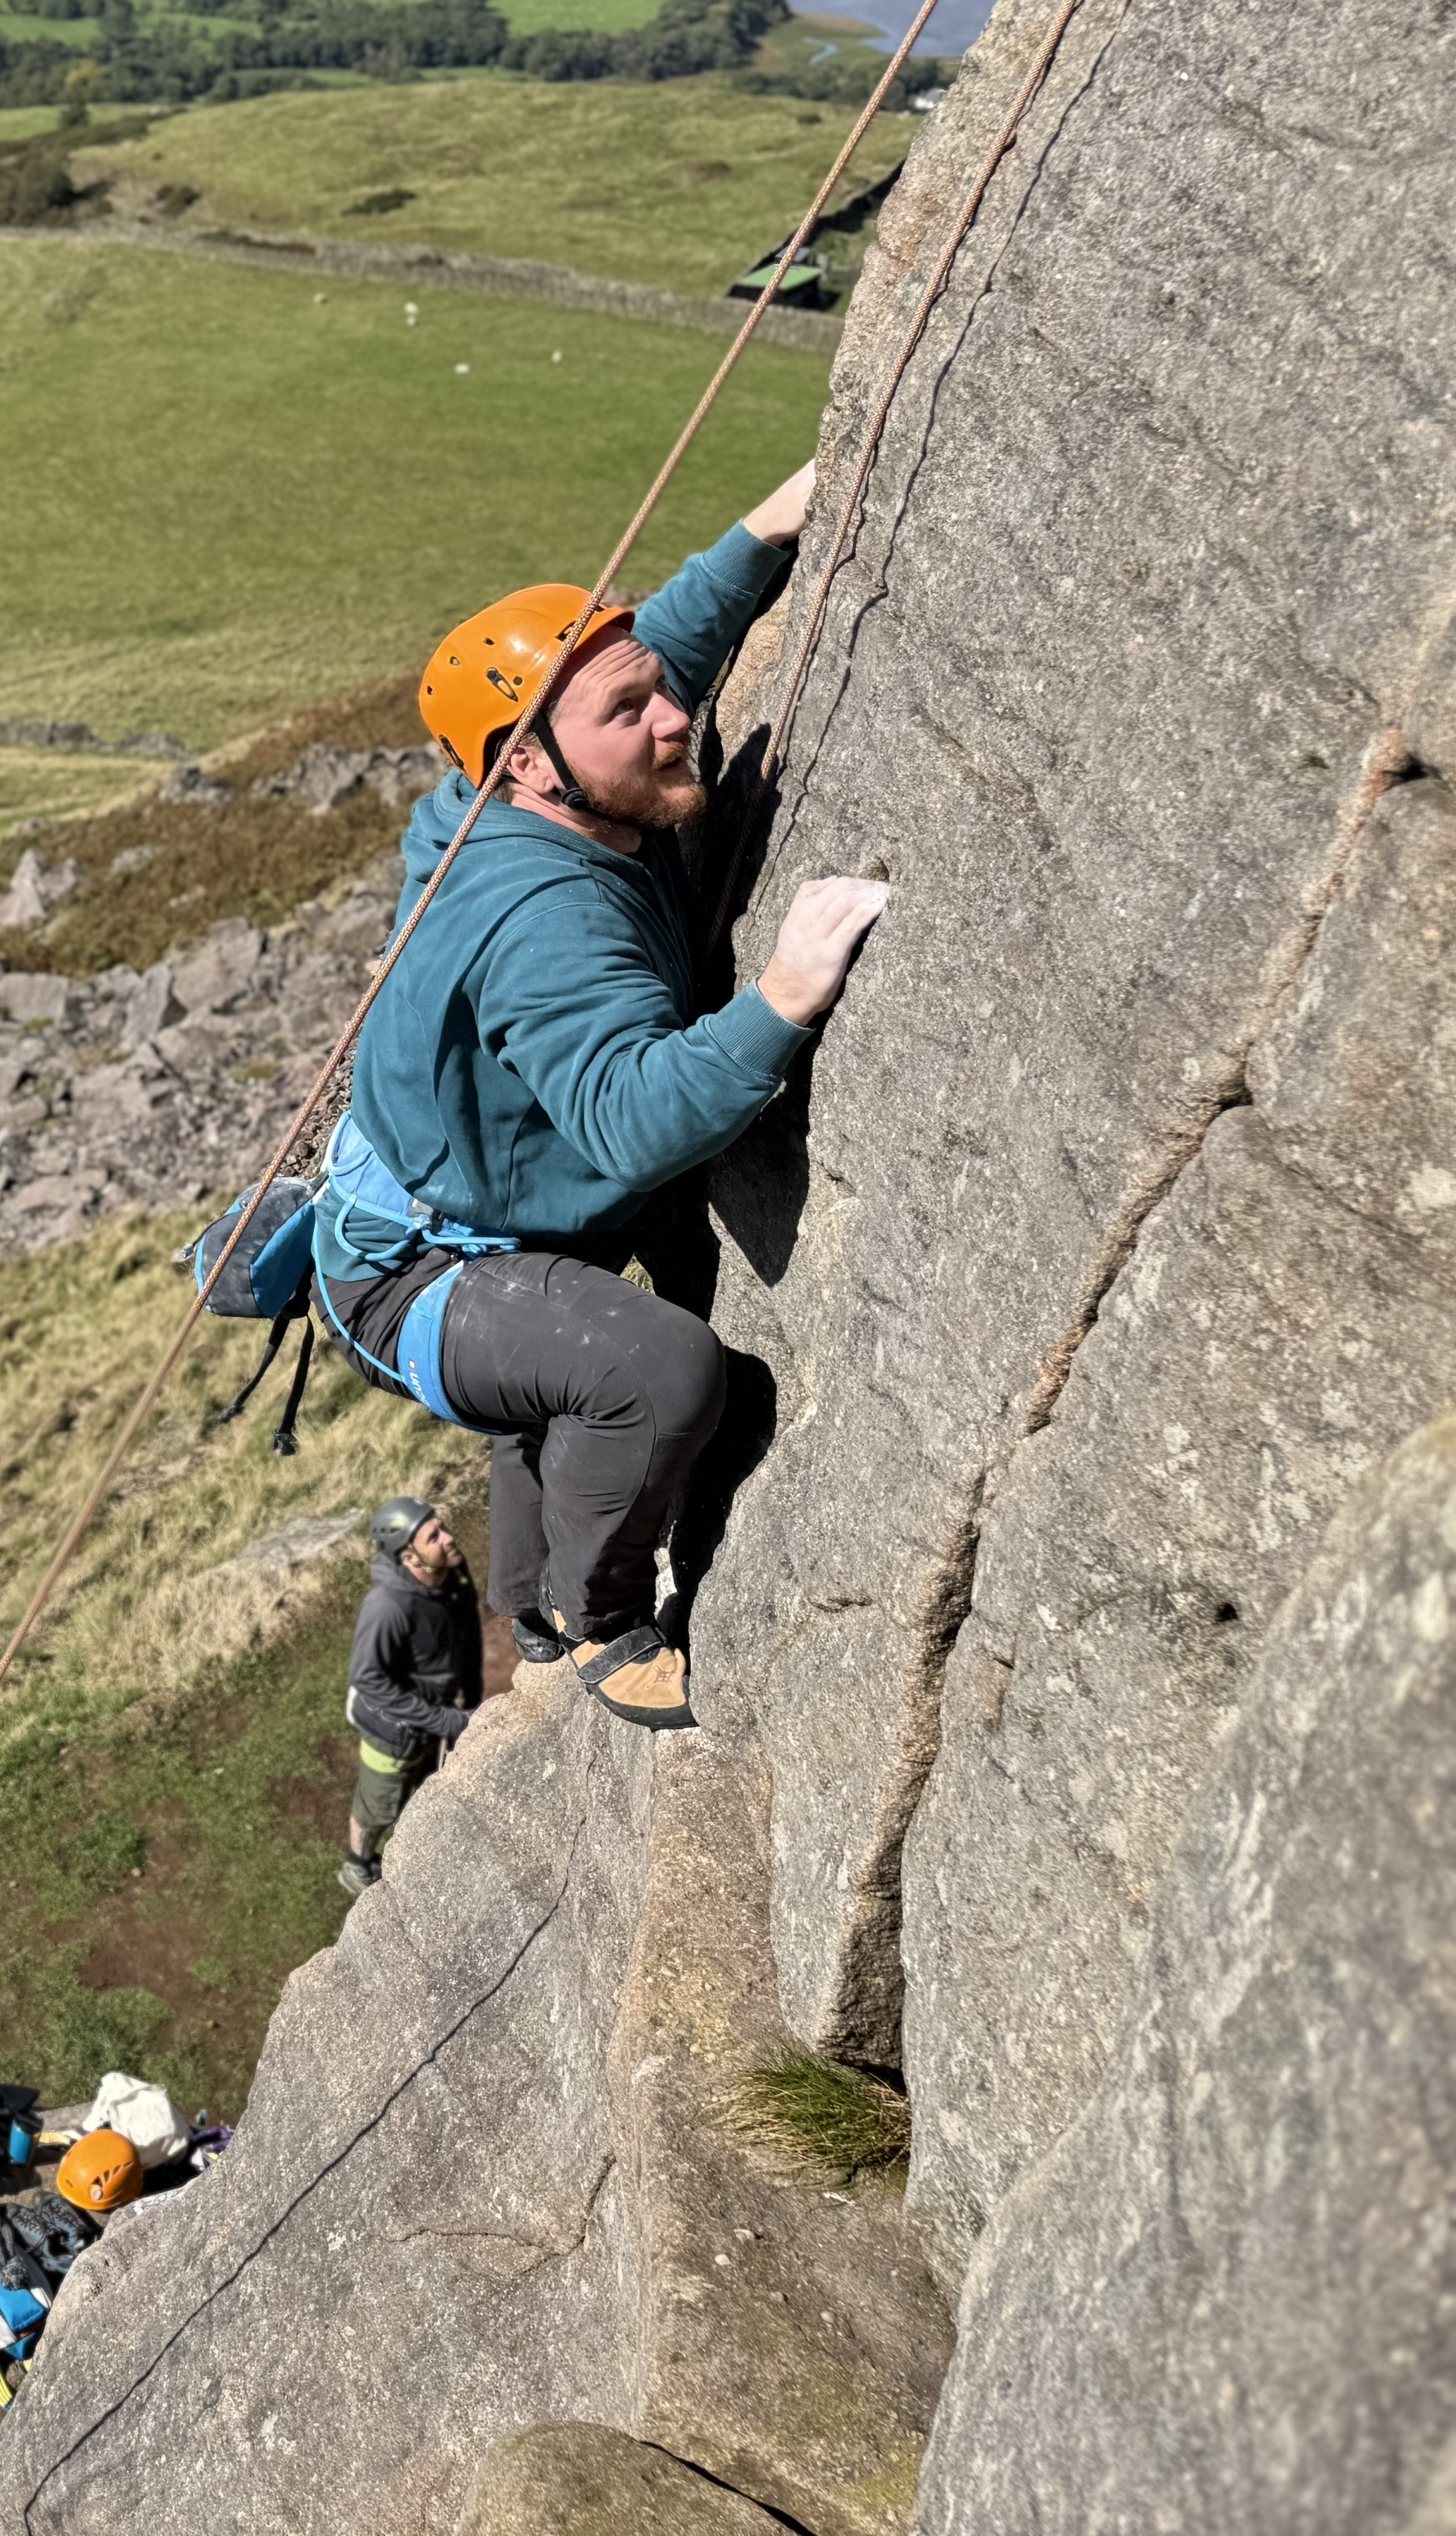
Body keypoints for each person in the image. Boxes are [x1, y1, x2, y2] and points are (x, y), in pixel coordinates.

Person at [313, 463, 889, 1734]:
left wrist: (762, 531)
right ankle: (592, 1613)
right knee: (652, 1369)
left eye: (654, 695)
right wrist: (779, 998)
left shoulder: (521, 781)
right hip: (416, 1270)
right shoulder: (546, 915)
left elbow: (638, 666)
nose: (671, 716)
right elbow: (630, 1117)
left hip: (463, 1214)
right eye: (632, 711)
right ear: (530, 762)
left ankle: (522, 1599)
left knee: (556, 1379)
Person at [341, 1495, 478, 1893]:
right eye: (434, 1536)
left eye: (442, 1527)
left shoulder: (444, 1573)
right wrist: (447, 1720)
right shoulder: (387, 1607)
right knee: (379, 1806)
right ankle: (358, 1866)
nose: (450, 1538)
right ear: (408, 1558)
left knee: (420, 1787)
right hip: (392, 1734)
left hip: (429, 1716)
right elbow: (368, 1680)